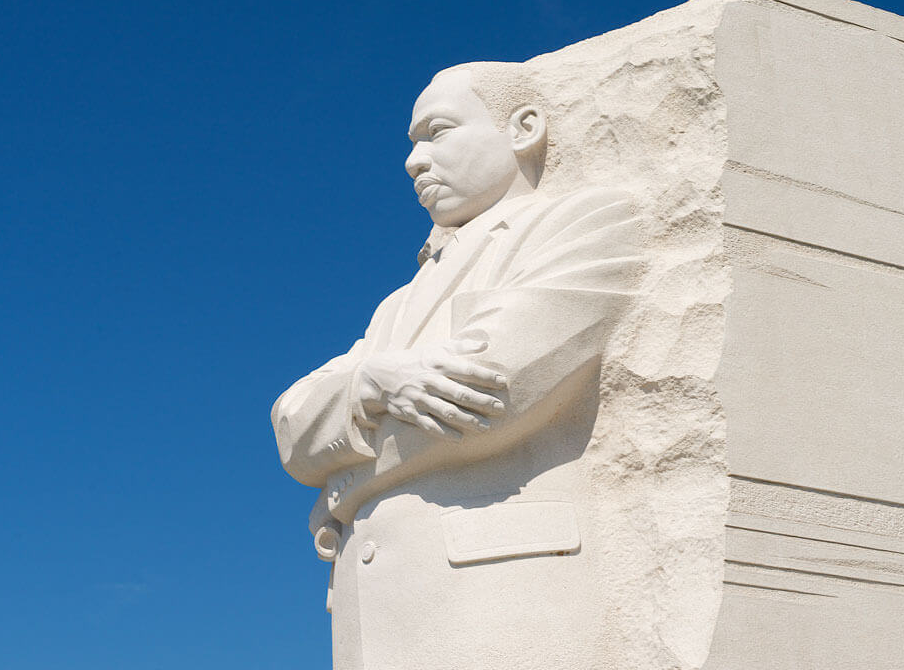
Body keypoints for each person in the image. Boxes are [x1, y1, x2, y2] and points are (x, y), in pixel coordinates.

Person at [272, 61, 646, 670]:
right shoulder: (395, 304)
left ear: (524, 127)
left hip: (497, 595)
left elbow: (488, 394)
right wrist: (371, 384)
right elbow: (290, 426)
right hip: (373, 618)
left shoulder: (583, 223)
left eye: (437, 132)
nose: (413, 162)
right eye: (412, 143)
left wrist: (340, 479)